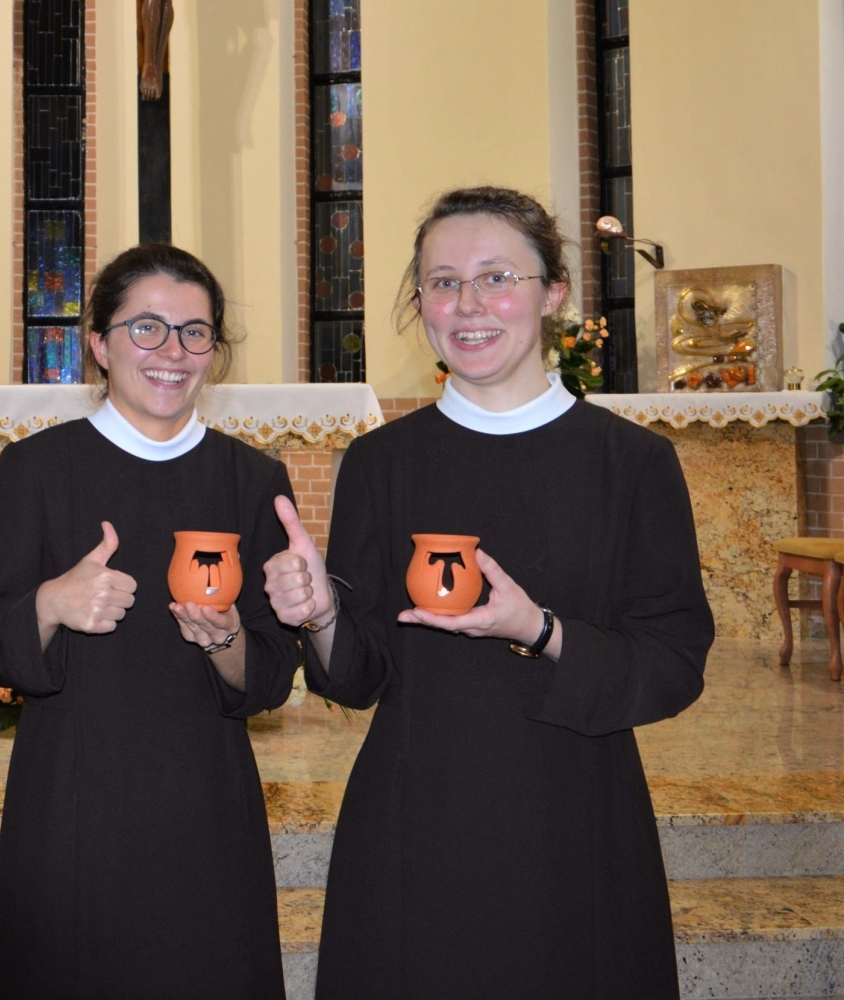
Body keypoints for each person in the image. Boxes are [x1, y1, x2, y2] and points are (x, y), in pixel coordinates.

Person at [265, 187, 715, 999]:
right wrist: (323, 617)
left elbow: (674, 662)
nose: (467, 305)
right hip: (414, 816)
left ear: (553, 293)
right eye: (443, 282)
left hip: (573, 814)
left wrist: (539, 629)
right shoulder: (380, 464)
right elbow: (359, 677)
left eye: (497, 277)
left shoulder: (632, 464)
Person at [0, 243, 298, 999]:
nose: (172, 351)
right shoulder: (34, 470)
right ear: (99, 343)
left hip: (206, 799)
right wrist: (49, 606)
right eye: (146, 328)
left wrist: (225, 640)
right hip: (71, 800)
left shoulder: (254, 479)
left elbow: (271, 677)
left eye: (195, 332)